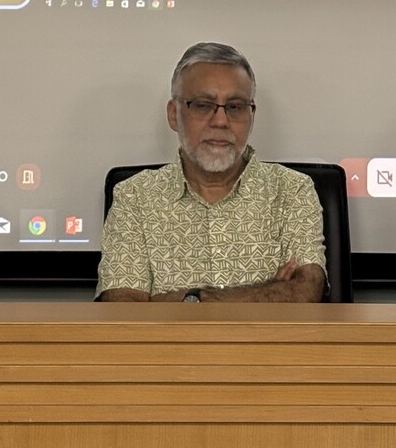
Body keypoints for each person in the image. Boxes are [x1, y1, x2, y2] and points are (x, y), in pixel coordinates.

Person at [97, 41, 326, 302]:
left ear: (252, 115)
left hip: (265, 344)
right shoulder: (134, 196)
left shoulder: (292, 190)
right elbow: (123, 310)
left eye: (235, 106)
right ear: (174, 115)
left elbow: (306, 292)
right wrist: (268, 292)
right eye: (203, 105)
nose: (220, 121)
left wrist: (189, 300)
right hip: (168, 345)